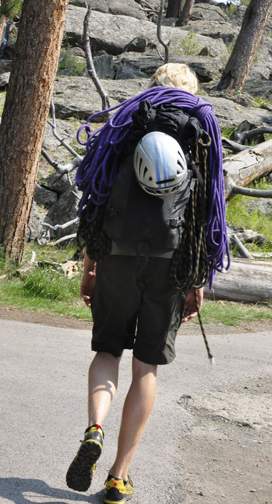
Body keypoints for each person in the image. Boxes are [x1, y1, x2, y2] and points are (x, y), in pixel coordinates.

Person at [66, 63, 228, 503]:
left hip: (115, 257)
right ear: (192, 93)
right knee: (146, 368)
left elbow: (94, 201)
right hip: (171, 264)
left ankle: (95, 429)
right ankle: (119, 476)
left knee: (107, 352)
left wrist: (90, 265)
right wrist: (197, 279)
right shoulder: (202, 135)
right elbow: (204, 215)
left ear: (152, 88)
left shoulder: (123, 128)